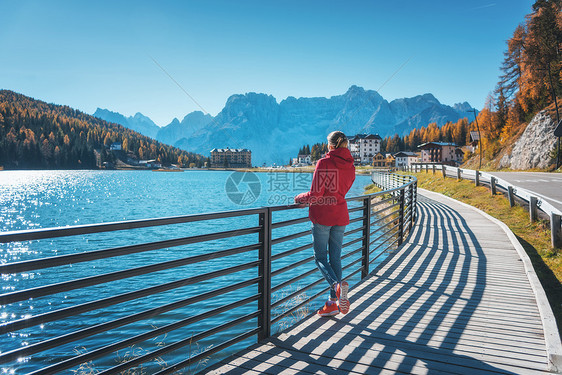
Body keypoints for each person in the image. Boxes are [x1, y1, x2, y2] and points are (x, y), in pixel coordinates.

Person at [294, 131, 356, 316]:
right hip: (340, 216)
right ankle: (332, 303)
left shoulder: (324, 163)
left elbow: (315, 195)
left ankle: (337, 288)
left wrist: (299, 198)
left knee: (320, 258)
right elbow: (342, 190)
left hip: (322, 217)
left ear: (330, 145)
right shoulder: (350, 165)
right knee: (335, 259)